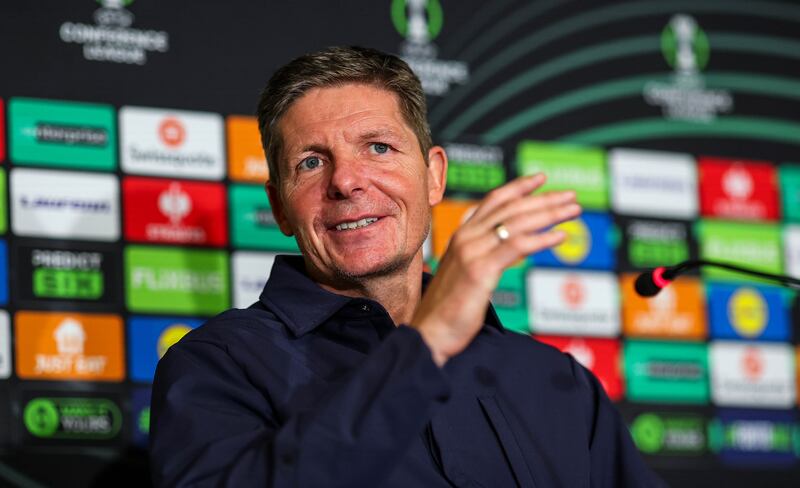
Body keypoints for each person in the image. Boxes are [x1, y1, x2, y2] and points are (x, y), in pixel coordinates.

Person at [149, 46, 664, 487]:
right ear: (281, 207)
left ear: (434, 176)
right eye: (311, 162)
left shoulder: (556, 380)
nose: (346, 181)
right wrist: (429, 340)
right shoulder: (216, 367)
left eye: (379, 147)